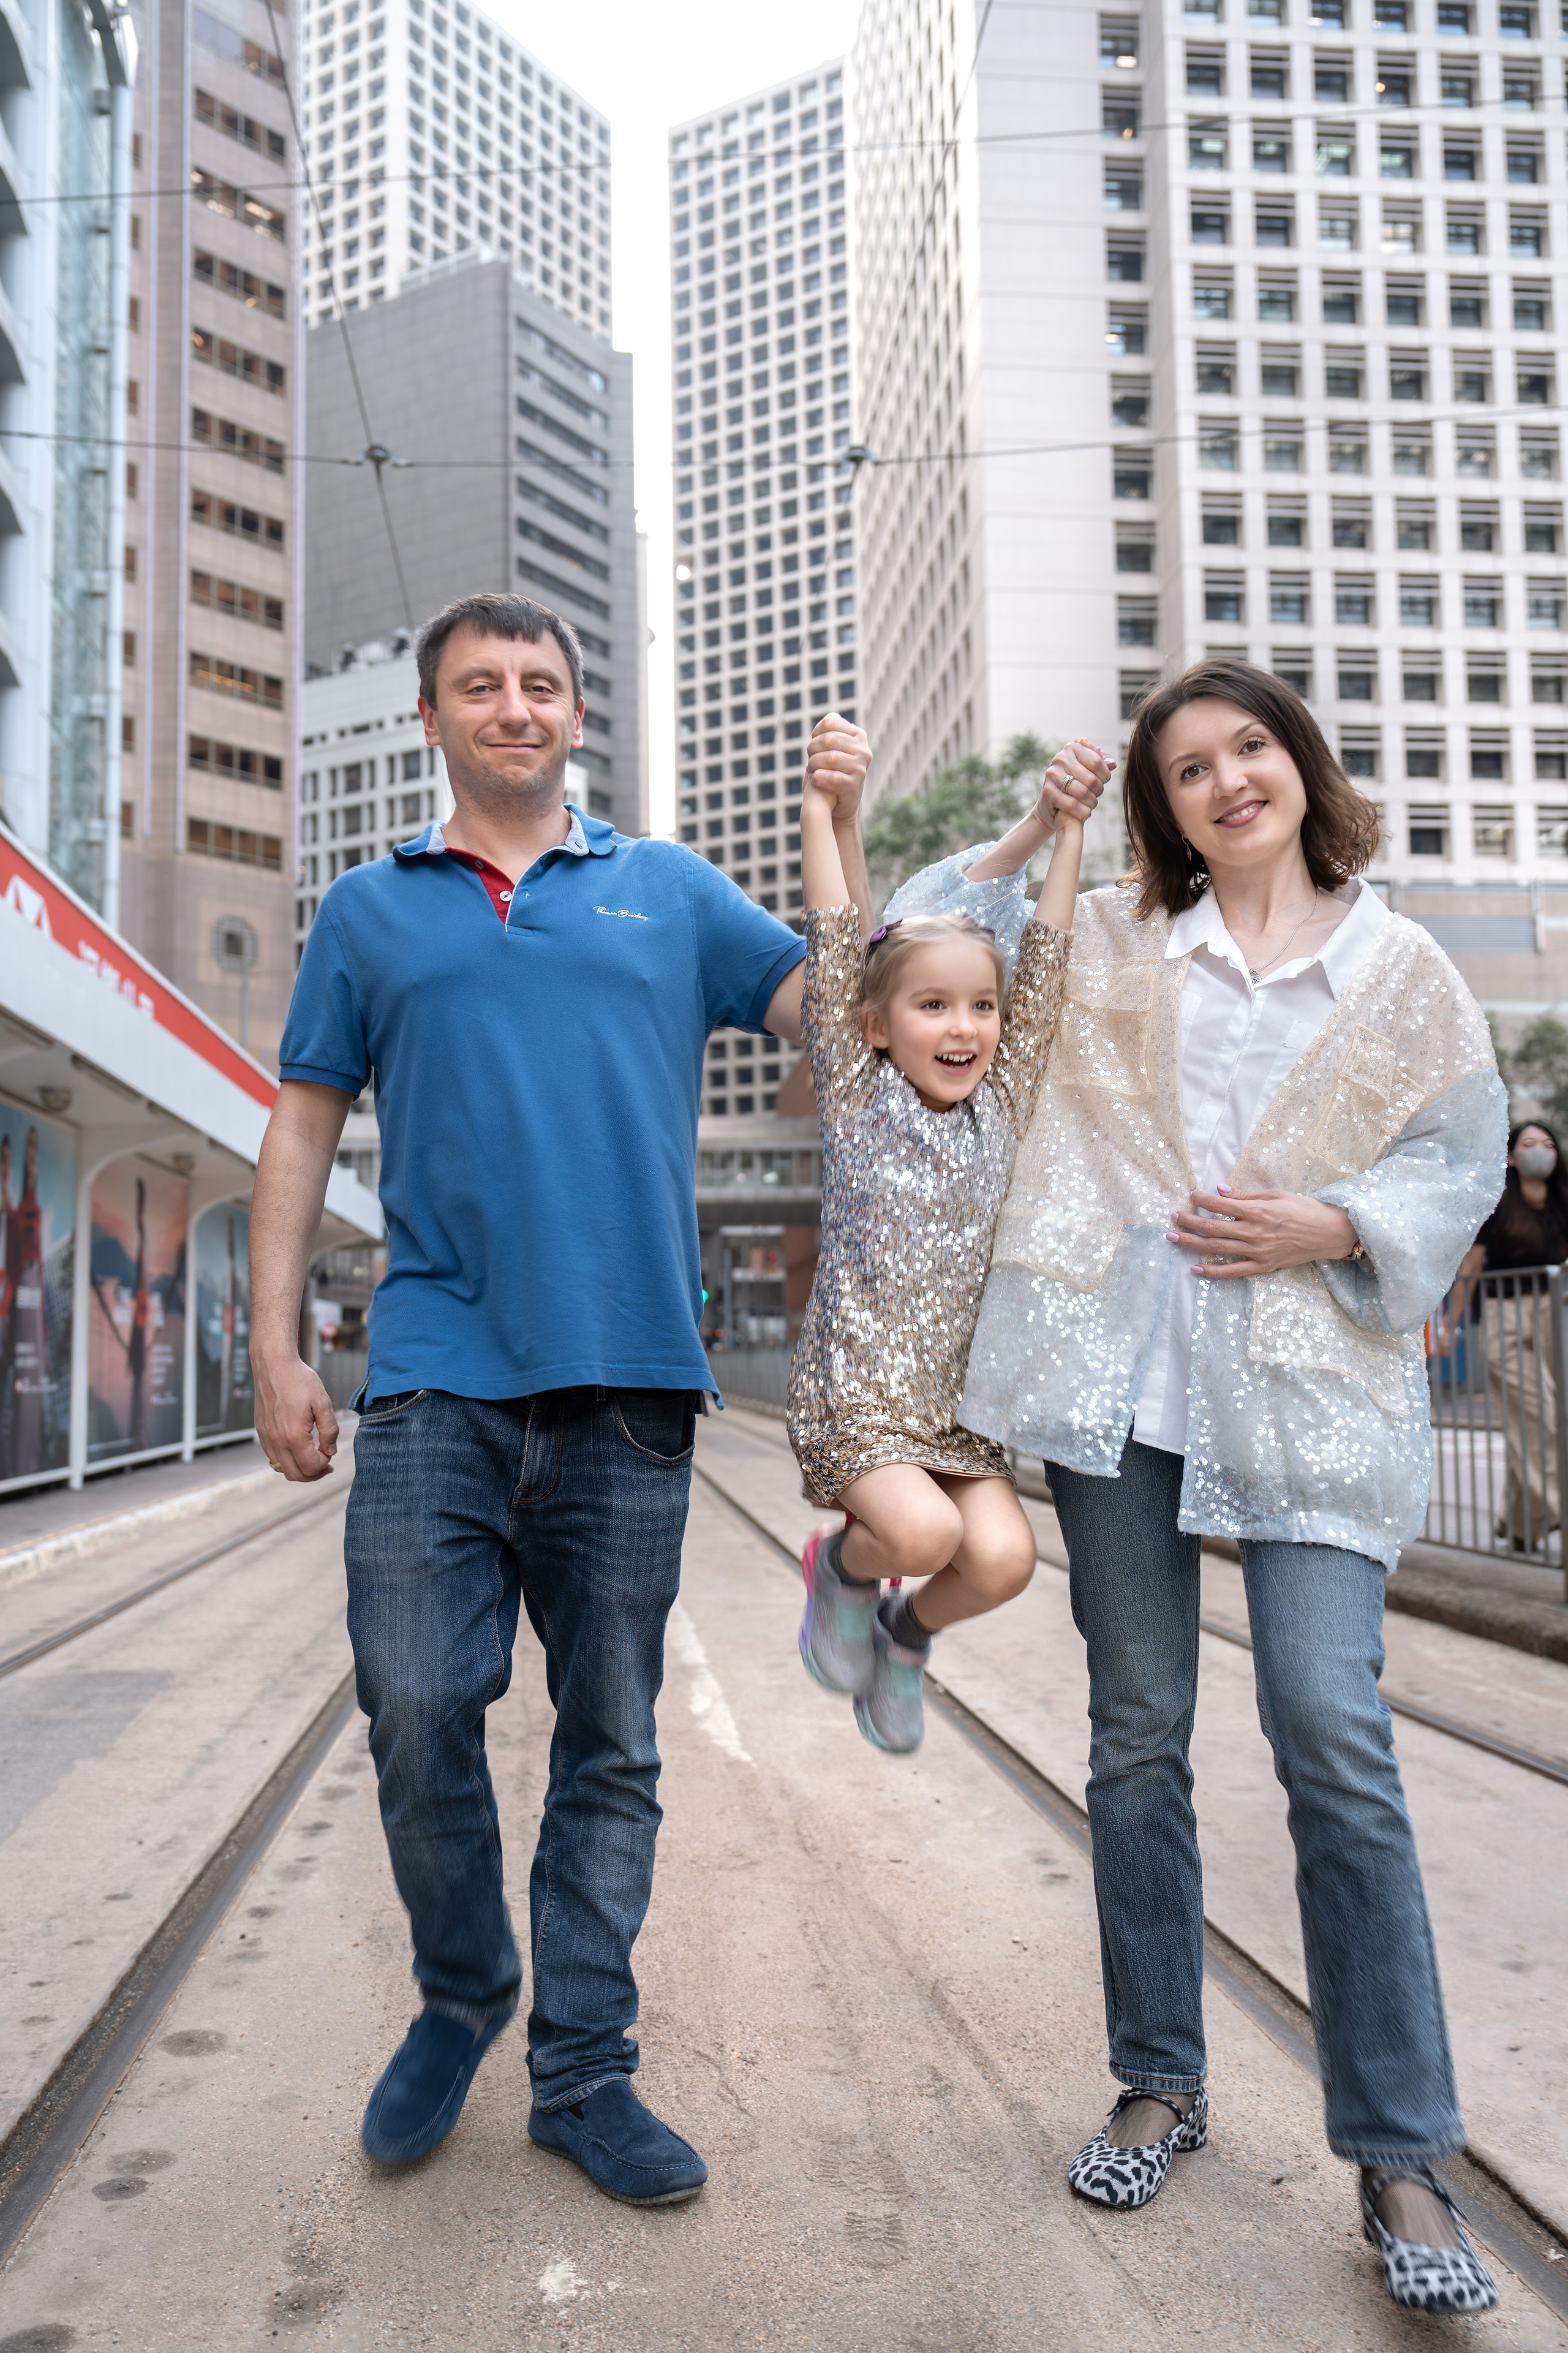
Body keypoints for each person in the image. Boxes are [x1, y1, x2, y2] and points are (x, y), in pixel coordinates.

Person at [890, 658, 1506, 2314]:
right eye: (1189, 769)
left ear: (1298, 763)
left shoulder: (1402, 970)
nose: (1228, 781)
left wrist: (1343, 1225)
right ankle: (1162, 2077)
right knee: (1138, 1731)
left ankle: (1401, 2154)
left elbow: (1461, 1154)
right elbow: (917, 932)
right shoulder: (1109, 950)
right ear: (1160, 808)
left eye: (1250, 748)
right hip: (1120, 1386)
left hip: (1310, 1396)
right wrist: (1041, 820)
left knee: (1334, 1735)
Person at [249, 591, 878, 2204]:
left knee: (609, 1740)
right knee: (409, 1698)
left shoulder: (665, 890)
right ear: (434, 715)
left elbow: (843, 1021)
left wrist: (832, 825)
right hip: (438, 1372)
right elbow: (306, 1132)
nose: (515, 705)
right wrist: (272, 1346)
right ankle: (467, 1984)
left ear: (576, 714)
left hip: (632, 1385)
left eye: (541, 683)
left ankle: (584, 2072)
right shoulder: (369, 913)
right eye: (482, 684)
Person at [790, 742, 1103, 1753]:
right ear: (876, 1025)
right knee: (922, 1535)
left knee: (1004, 1560)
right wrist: (822, 808)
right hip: (859, 1394)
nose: (963, 1026)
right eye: (933, 1006)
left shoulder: (1004, 1103)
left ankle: (904, 1631)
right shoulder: (856, 1092)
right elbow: (837, 928)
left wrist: (1071, 835)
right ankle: (841, 1568)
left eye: (980, 1005)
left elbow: (1046, 958)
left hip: (959, 1412)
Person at [1440, 1119, 1568, 1548]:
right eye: (1529, 1143)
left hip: (1550, 1318)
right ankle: (1557, 1506)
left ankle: (1519, 1524)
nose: (1541, 1150)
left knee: (1531, 1420)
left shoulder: (1561, 1204)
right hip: (1503, 1314)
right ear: (1511, 1156)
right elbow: (1471, 1268)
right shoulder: (1498, 1203)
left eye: (1547, 1143)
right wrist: (1449, 1323)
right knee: (1542, 1417)